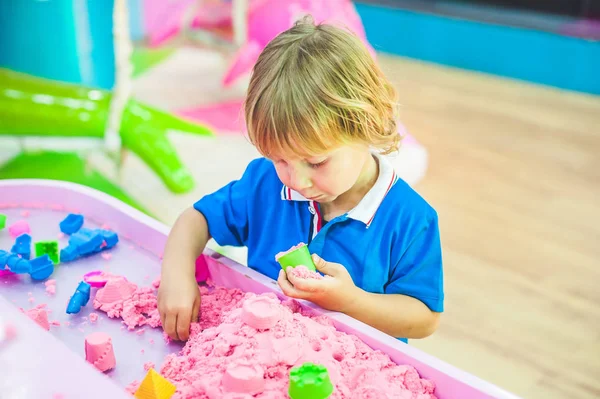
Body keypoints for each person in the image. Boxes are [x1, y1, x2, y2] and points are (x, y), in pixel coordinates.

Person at [158, 16, 444, 343]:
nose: (296, 180)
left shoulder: (411, 219)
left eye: (315, 162)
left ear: (368, 126)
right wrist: (177, 276)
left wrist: (350, 302)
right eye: (280, 159)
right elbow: (195, 219)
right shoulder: (266, 183)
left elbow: (424, 318)